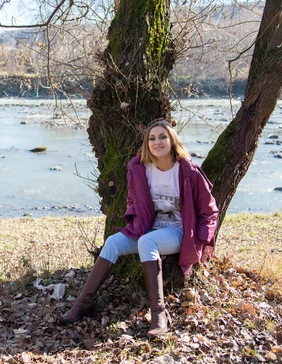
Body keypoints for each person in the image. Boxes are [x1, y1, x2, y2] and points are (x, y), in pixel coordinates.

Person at [59, 119, 219, 338]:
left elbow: (209, 210)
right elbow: (133, 199)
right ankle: (82, 303)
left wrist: (201, 238)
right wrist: (134, 217)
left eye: (163, 136)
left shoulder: (188, 171)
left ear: (172, 141)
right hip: (148, 226)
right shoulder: (140, 169)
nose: (157, 142)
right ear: (147, 144)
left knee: (147, 242)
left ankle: (159, 314)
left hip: (179, 230)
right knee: (113, 242)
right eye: (152, 138)